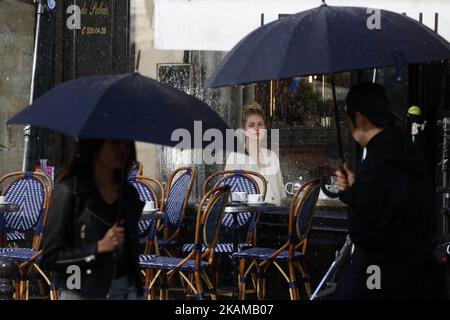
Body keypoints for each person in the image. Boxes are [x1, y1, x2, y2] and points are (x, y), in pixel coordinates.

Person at [334, 82, 446, 299]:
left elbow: (365, 231)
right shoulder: (407, 151)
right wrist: (355, 190)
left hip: (382, 278)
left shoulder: (377, 161)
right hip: (420, 280)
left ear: (360, 118)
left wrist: (357, 193)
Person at [41, 139, 144, 300]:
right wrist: (97, 248)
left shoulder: (129, 194)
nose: (122, 149)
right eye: (114, 143)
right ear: (94, 145)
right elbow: (50, 257)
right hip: (81, 290)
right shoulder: (70, 190)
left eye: (126, 143)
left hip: (127, 290)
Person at [225, 102, 286, 205]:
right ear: (244, 130)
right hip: (251, 217)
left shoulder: (272, 156)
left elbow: (281, 191)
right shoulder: (235, 157)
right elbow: (228, 194)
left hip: (276, 215)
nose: (256, 129)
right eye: (251, 125)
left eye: (260, 124)